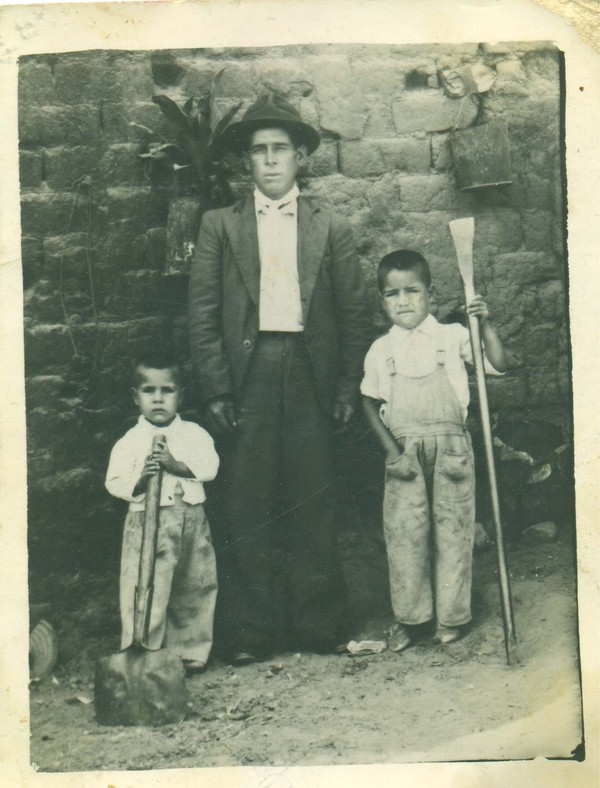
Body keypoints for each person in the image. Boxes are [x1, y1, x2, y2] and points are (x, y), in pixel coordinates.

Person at [189, 92, 371, 664]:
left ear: (300, 159)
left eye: (280, 150)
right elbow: (200, 314)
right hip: (251, 374)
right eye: (259, 151)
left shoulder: (330, 227)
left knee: (314, 498)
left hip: (310, 372)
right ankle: (251, 630)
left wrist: (345, 389)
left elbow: (354, 314)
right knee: (247, 499)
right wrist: (217, 386)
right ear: (247, 161)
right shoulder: (220, 225)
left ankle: (318, 624)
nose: (269, 161)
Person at [361, 250, 508, 651]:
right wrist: (392, 453)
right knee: (405, 537)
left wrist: (484, 322)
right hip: (404, 454)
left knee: (453, 532)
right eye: (393, 294)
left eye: (413, 291)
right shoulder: (380, 350)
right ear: (382, 300)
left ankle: (451, 618)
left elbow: (497, 362)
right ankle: (413, 619)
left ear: (430, 293)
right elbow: (368, 403)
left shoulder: (453, 336)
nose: (403, 301)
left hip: (452, 451)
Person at [105, 351, 220, 675]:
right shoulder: (129, 442)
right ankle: (144, 648)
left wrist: (174, 464)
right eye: (149, 391)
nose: (158, 399)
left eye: (167, 391)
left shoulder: (194, 434)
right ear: (135, 396)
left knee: (194, 584)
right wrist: (141, 478)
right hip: (147, 524)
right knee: (145, 585)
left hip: (191, 522)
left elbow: (210, 468)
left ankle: (190, 651)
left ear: (180, 396)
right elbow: (113, 482)